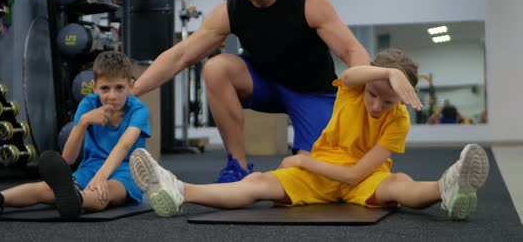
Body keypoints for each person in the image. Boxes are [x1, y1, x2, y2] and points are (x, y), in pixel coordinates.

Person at [130, 48, 489, 220]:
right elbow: (352, 77)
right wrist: (389, 76)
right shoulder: (351, 89)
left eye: (388, 100)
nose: (377, 106)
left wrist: (303, 160)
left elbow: (352, 175)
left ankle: (448, 187)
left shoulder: (399, 122)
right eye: (373, 95)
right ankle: (178, 191)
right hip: (318, 171)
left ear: (402, 100)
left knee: (399, 182)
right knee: (256, 182)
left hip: (358, 176)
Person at [131, 0, 370, 182]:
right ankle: (238, 167)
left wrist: (367, 92)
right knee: (216, 68)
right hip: (265, 85)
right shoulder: (231, 10)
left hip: (313, 92)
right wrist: (133, 90)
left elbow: (352, 50)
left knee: (316, 178)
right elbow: (180, 56)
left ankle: (304, 157)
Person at [0, 51, 151, 218]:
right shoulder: (88, 105)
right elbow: (67, 159)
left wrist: (101, 177)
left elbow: (123, 146)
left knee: (105, 192)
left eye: (119, 88)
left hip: (127, 171)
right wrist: (83, 123)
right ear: (94, 87)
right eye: (105, 88)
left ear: (131, 86)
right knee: (46, 189)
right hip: (90, 168)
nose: (112, 96)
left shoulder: (138, 111)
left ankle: (76, 200)